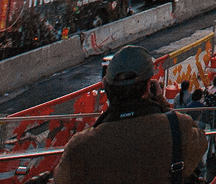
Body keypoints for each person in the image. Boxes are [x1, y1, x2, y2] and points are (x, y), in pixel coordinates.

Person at [52, 45, 207, 184]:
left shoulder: (80, 146)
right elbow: (201, 142)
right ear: (148, 87)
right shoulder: (177, 128)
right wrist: (161, 102)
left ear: (107, 88)